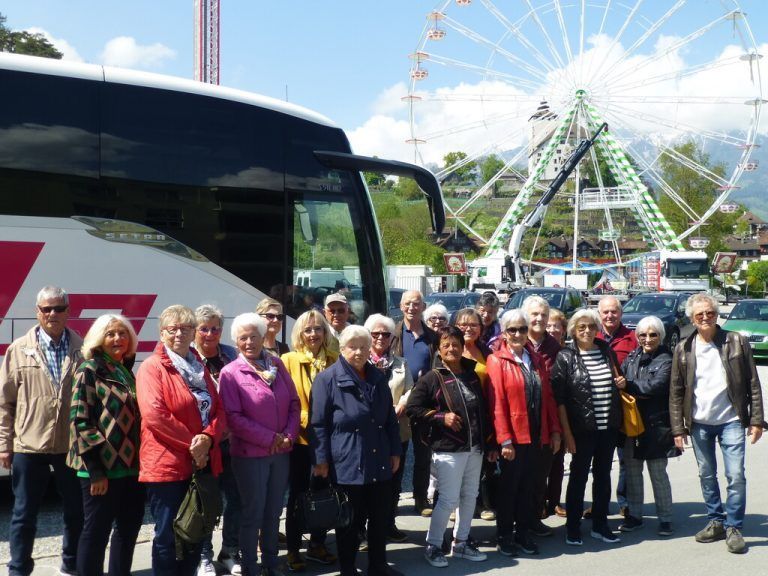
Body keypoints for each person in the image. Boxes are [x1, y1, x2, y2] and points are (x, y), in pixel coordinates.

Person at [670, 293, 764, 554]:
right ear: (692, 317)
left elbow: (753, 384)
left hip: (731, 420)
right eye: (699, 314)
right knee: (706, 475)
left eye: (710, 313)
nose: (705, 318)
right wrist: (678, 428)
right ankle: (716, 521)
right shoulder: (684, 348)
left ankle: (734, 527)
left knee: (735, 476)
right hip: (699, 423)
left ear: (716, 314)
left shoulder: (736, 342)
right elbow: (676, 391)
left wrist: (756, 419)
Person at [137, 305, 227, 576]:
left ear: (193, 333)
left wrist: (208, 438)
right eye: (172, 329)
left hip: (200, 463)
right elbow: (155, 415)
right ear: (162, 333)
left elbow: (219, 410)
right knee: (168, 536)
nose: (179, 333)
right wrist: (195, 444)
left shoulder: (198, 366)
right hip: (167, 466)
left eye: (185, 328)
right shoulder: (152, 368)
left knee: (195, 532)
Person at [0, 286, 84, 576]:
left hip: (70, 445)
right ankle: (18, 569)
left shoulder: (81, 349)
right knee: (24, 515)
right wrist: (4, 444)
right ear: (38, 312)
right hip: (28, 444)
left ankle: (70, 565)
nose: (52, 314)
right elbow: (4, 401)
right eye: (46, 309)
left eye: (58, 308)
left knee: (76, 511)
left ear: (68, 312)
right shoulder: (19, 349)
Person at [311, 325, 402, 576]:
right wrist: (320, 460)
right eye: (353, 347)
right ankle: (348, 569)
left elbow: (390, 420)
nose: (359, 352)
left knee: (380, 516)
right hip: (347, 460)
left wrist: (395, 450)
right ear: (341, 349)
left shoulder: (377, 377)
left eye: (364, 346)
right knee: (349, 521)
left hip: (379, 458)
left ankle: (378, 565)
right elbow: (318, 423)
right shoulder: (327, 379)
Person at [407, 326, 496, 568]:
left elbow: (483, 412)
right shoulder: (432, 377)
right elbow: (412, 408)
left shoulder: (472, 375)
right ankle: (434, 545)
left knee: (470, 496)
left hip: (474, 447)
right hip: (448, 448)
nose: (451, 348)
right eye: (445, 344)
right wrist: (440, 417)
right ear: (438, 349)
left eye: (455, 343)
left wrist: (490, 442)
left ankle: (461, 542)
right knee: (447, 499)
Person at [219, 313, 300, 576]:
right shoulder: (230, 372)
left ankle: (271, 564)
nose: (250, 341)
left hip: (281, 452)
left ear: (263, 336)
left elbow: (294, 403)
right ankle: (252, 568)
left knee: (274, 511)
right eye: (243, 337)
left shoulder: (276, 363)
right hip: (250, 454)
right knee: (252, 514)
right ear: (236, 341)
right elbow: (233, 417)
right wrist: (270, 438)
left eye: (254, 336)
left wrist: (288, 434)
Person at [68, 314, 144, 576]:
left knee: (128, 529)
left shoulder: (125, 370)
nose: (117, 339)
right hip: (100, 470)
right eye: (111, 333)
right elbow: (79, 421)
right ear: (100, 338)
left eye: (122, 333)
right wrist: (95, 470)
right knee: (96, 532)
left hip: (131, 469)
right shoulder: (89, 369)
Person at [488, 309, 561, 556]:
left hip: (536, 435)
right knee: (510, 488)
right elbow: (497, 402)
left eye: (522, 329)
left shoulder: (536, 359)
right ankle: (505, 535)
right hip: (513, 438)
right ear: (504, 333)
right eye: (512, 329)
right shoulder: (497, 360)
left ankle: (523, 534)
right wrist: (504, 439)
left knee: (529, 487)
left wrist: (554, 430)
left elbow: (548, 398)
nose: (518, 333)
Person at [551, 308, 624, 547]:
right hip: (581, 430)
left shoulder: (605, 350)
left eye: (591, 326)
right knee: (579, 477)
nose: (586, 331)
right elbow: (559, 399)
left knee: (603, 477)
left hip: (608, 427)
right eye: (581, 327)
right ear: (573, 330)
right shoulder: (565, 356)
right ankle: (573, 526)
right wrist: (567, 434)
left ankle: (600, 525)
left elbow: (616, 382)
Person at [281, 311, 339, 571]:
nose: (313, 334)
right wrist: (310, 419)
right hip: (301, 440)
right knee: (297, 495)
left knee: (323, 492)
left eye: (318, 329)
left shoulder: (335, 360)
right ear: (299, 334)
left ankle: (318, 543)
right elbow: (282, 402)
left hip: (330, 440)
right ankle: (293, 548)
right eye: (308, 330)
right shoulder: (288, 360)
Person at [192, 305, 241, 576]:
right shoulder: (188, 357)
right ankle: (204, 556)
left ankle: (230, 551)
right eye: (203, 328)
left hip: (234, 441)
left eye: (215, 328)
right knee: (207, 503)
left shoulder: (232, 355)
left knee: (236, 499)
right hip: (206, 442)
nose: (209, 333)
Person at [619, 315, 678, 537]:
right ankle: (634, 516)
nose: (647, 338)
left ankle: (665, 519)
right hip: (632, 424)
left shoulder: (667, 359)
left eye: (653, 334)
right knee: (633, 473)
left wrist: (629, 385)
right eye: (642, 334)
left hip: (657, 426)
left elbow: (657, 386)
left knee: (658, 474)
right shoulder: (632, 356)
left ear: (660, 336)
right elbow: (620, 381)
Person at [364, 313, 413, 542]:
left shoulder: (401, 363)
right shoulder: (361, 362)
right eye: (376, 333)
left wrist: (403, 402)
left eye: (386, 334)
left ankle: (388, 523)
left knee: (394, 481)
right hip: (369, 434)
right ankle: (364, 529)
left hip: (397, 430)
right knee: (369, 482)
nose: (381, 337)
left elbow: (411, 389)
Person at [391, 290, 438, 516]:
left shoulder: (432, 336)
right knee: (397, 452)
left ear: (423, 306)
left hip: (423, 403)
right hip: (398, 402)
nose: (412, 307)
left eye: (417, 303)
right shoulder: (393, 334)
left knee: (422, 454)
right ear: (401, 307)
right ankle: (393, 498)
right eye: (408, 303)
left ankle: (421, 499)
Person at [520, 296, 564, 531]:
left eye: (543, 315)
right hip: (520, 421)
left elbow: (558, 394)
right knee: (519, 476)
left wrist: (557, 430)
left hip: (546, 422)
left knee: (540, 475)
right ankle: (517, 520)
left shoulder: (555, 348)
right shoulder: (514, 342)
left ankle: (535, 519)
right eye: (534, 314)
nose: (539, 319)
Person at [595, 295, 637, 519]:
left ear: (621, 313)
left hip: (623, 409)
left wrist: (627, 382)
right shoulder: (591, 336)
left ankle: (625, 502)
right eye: (605, 312)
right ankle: (599, 503)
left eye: (614, 311)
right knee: (600, 461)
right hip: (598, 408)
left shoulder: (632, 338)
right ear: (599, 314)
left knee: (624, 459)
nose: (610, 316)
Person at [453, 307, 495, 522]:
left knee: (483, 461)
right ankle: (454, 505)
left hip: (483, 414)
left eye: (473, 325)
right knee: (458, 463)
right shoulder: (449, 349)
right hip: (457, 415)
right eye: (463, 324)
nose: (468, 328)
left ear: (481, 328)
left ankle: (484, 504)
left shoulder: (486, 352)